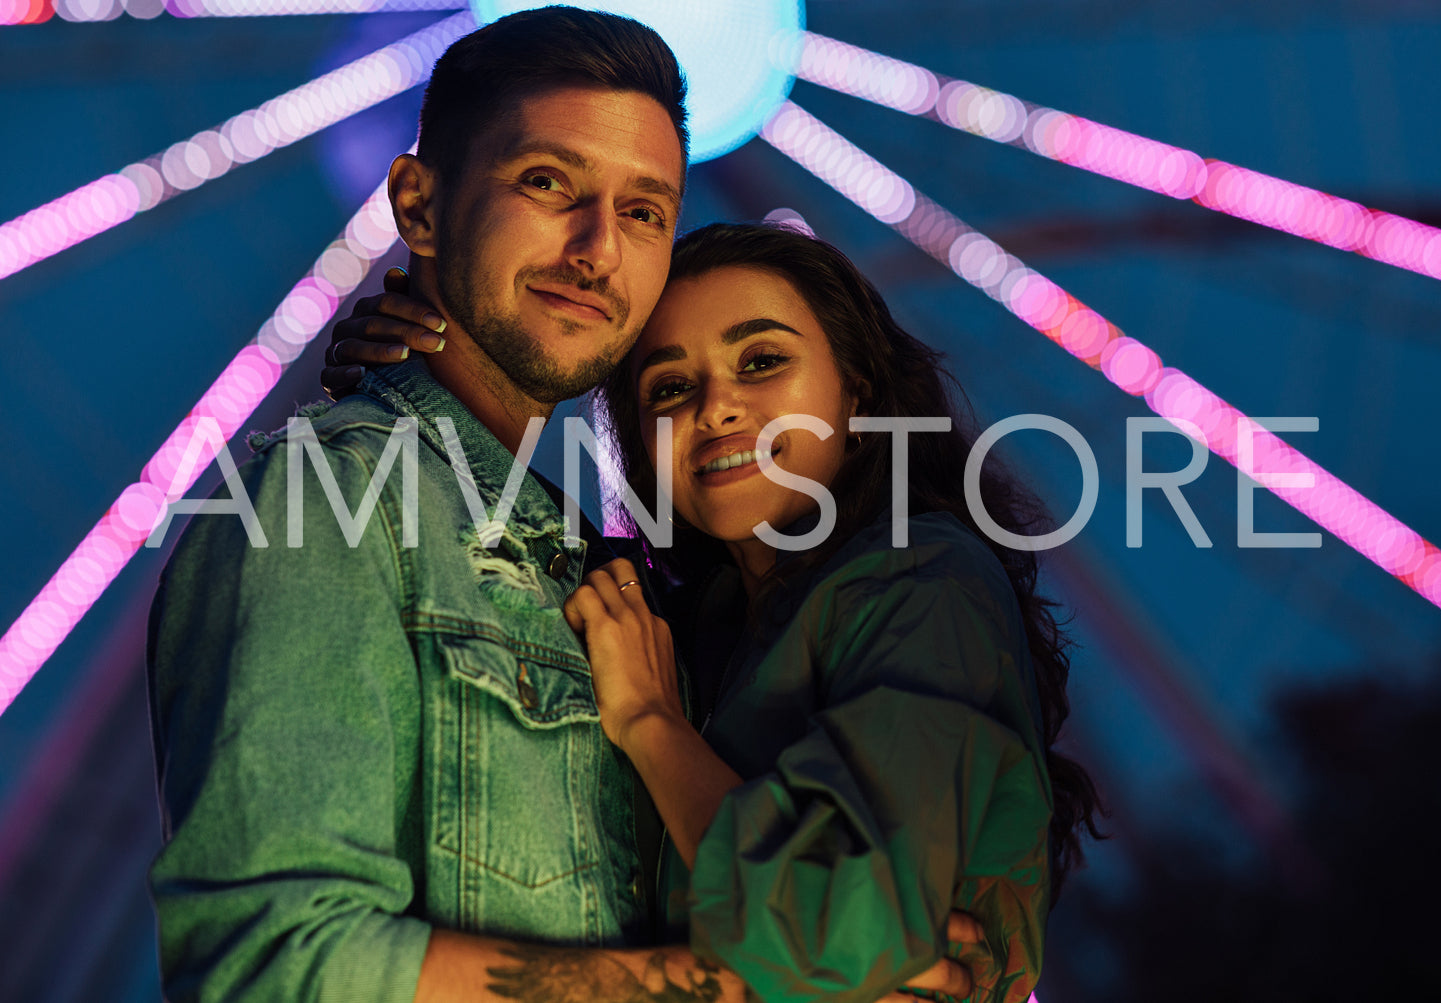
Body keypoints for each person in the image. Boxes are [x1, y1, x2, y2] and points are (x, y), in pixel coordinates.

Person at [150, 9, 975, 1003]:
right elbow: (272, 965)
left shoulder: (622, 586)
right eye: (547, 184)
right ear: (417, 205)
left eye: (643, 212)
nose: (596, 250)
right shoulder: (325, 499)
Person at [335, 222, 1104, 1003]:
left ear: (857, 388)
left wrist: (650, 722)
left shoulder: (924, 583)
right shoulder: (692, 628)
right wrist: (408, 378)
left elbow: (822, 929)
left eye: (762, 361)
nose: (716, 408)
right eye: (668, 388)